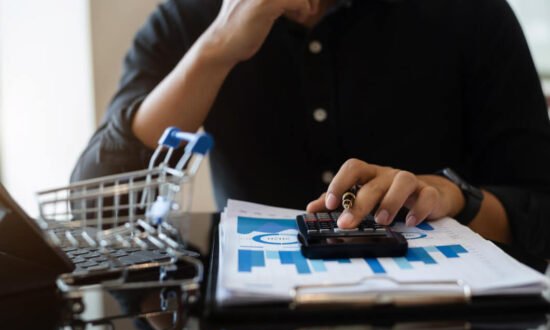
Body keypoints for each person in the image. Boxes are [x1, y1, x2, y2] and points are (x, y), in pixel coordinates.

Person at [71, 0, 550, 259]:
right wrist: (215, 49)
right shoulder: (191, 18)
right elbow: (92, 207)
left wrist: (452, 197)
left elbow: (540, 212)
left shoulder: (473, 15)